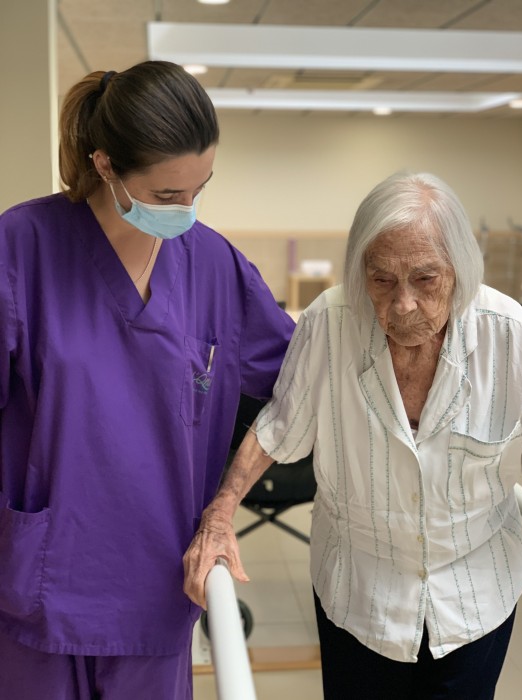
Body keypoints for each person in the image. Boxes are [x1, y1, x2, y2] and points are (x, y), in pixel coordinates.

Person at [0, 61, 295, 700]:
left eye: (199, 189)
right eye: (165, 195)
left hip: (160, 584)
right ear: (106, 166)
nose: (185, 211)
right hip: (45, 583)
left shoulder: (214, 265)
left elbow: (303, 384)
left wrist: (226, 506)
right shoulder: (22, 246)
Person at [184, 171, 522, 699]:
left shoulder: (508, 333)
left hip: (475, 590)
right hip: (359, 593)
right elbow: (280, 425)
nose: (403, 304)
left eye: (425, 279)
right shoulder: (331, 322)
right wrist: (220, 514)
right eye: (381, 280)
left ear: (460, 270)